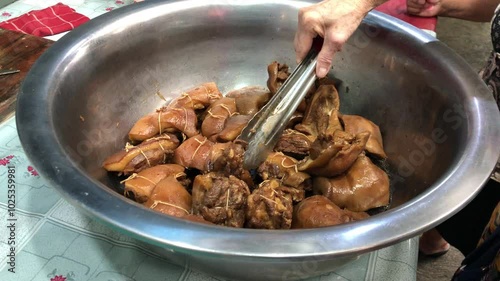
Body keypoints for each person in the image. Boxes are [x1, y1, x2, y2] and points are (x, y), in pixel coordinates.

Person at [294, 0, 500, 280]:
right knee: (468, 221)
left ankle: (432, 241)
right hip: (489, 116)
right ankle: (431, 240)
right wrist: (446, 6)